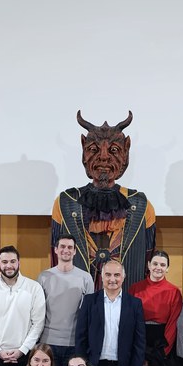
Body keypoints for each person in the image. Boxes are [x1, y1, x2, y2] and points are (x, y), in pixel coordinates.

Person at [51, 111, 156, 290]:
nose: (104, 157)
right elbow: (56, 260)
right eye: (94, 149)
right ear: (84, 150)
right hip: (78, 301)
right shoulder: (65, 203)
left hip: (126, 300)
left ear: (126, 151)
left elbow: (148, 260)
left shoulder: (141, 205)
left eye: (114, 150)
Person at [75, 259, 146, 366]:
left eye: (116, 275)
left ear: (123, 277)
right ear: (101, 276)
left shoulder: (134, 304)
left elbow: (139, 339)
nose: (112, 279)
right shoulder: (90, 301)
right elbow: (80, 336)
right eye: (108, 274)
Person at [37, 233, 94, 366]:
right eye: (62, 246)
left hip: (74, 344)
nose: (66, 250)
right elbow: (37, 312)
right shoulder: (43, 277)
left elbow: (89, 315)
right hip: (48, 342)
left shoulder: (86, 278)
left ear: (75, 251)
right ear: (55, 249)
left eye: (70, 247)